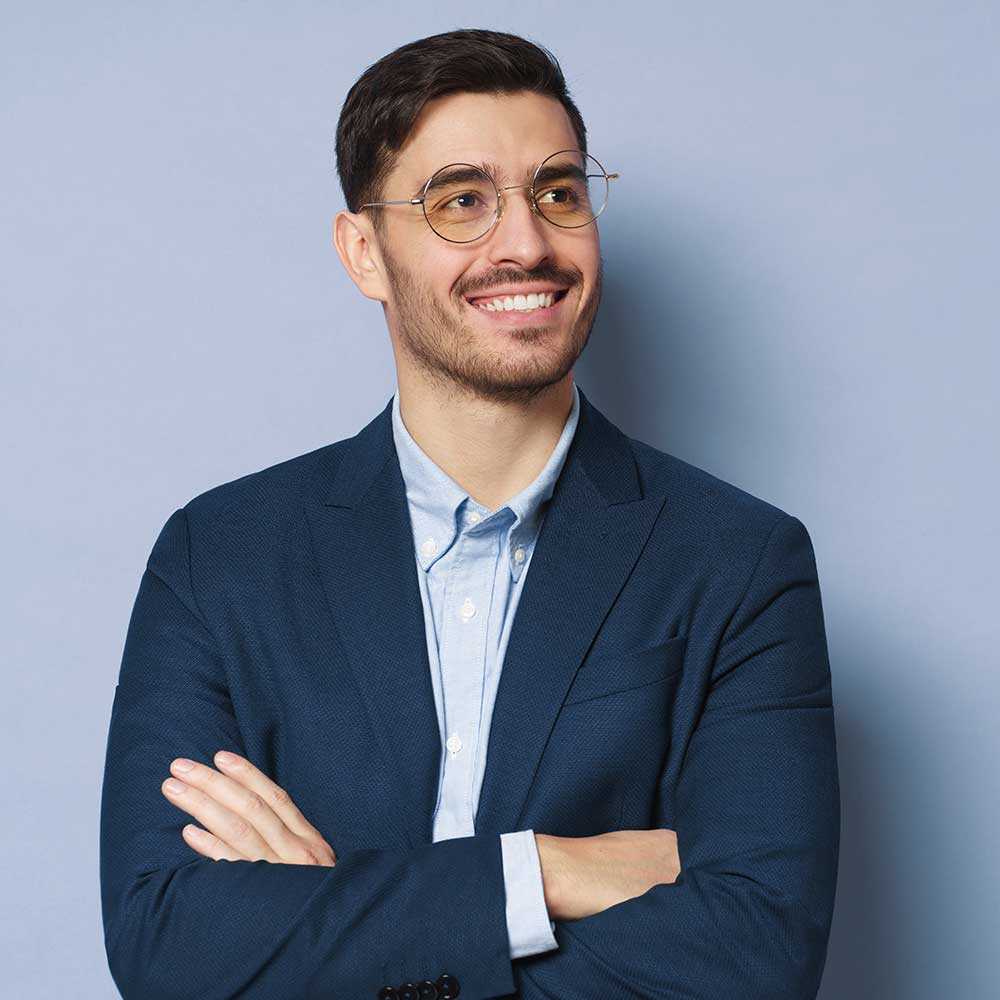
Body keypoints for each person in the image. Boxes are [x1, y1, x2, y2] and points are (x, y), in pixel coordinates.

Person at [99, 28, 840, 1000]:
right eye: (461, 201)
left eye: (558, 192)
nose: (526, 243)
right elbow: (168, 946)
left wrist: (330, 922)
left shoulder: (739, 560)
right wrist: (540, 873)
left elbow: (756, 958)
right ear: (364, 253)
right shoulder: (220, 555)